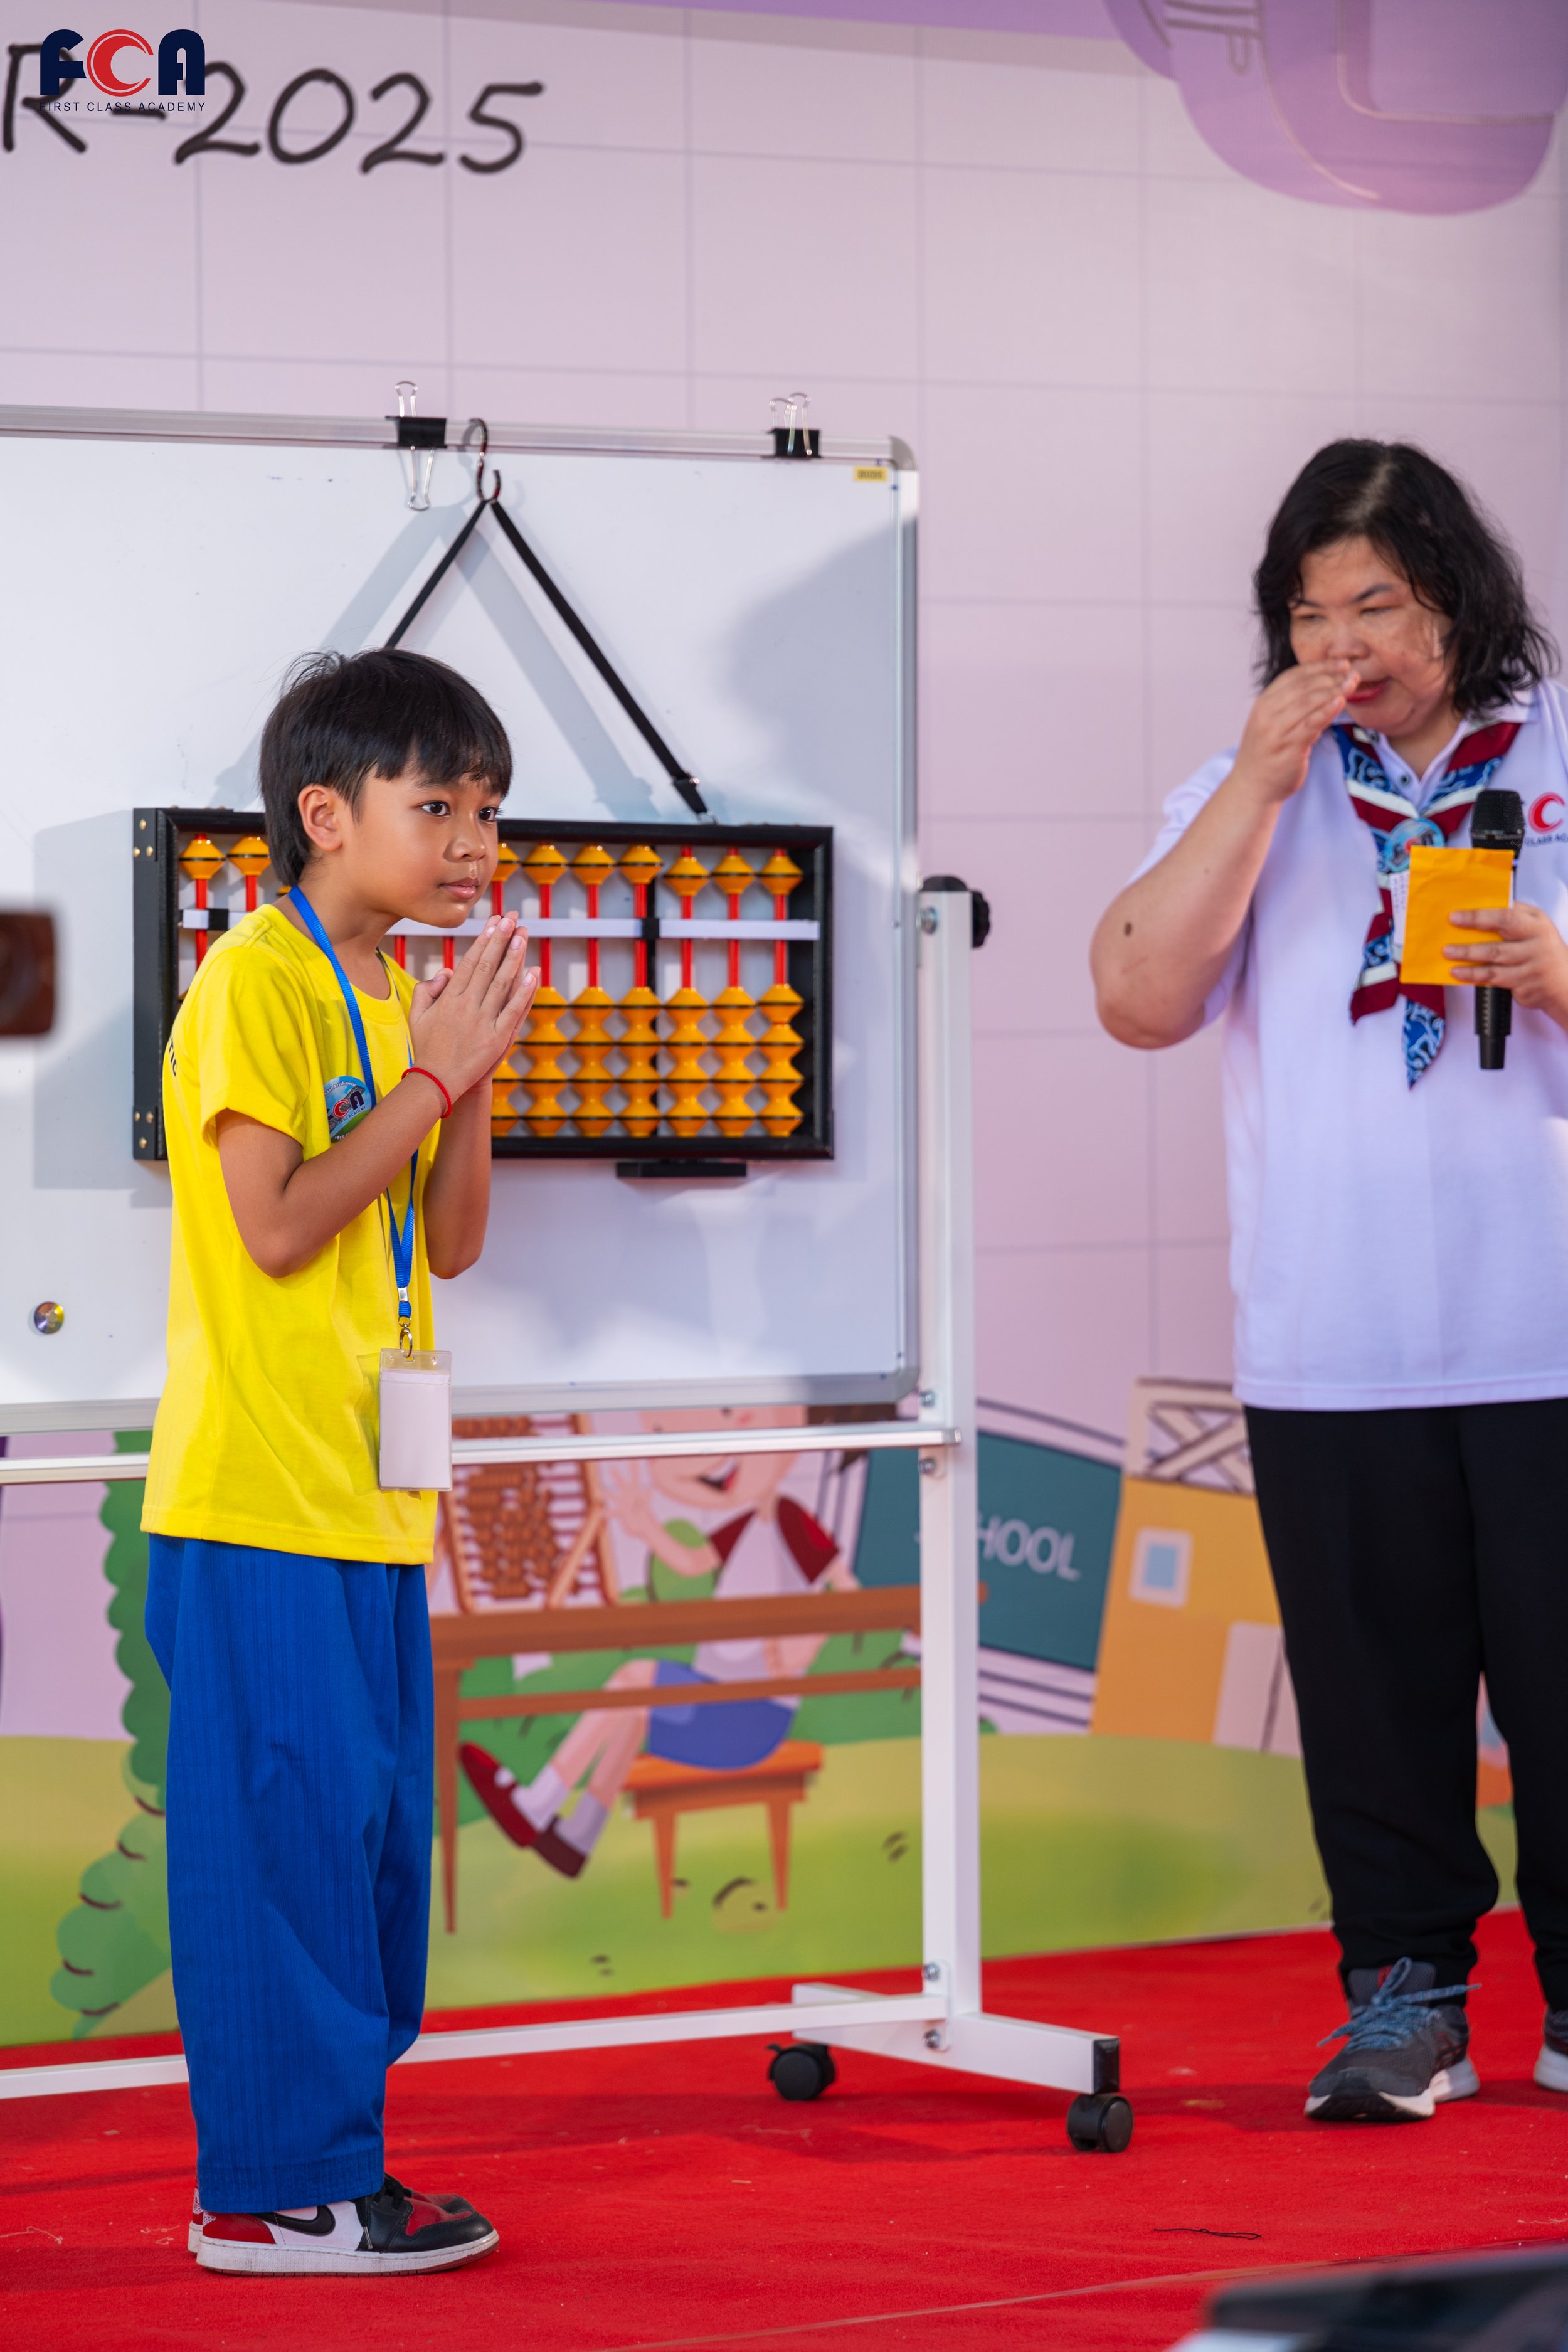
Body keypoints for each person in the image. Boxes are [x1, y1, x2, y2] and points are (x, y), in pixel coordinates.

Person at [1091, 440, 1568, 2125]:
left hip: (1547, 1327)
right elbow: (1137, 996)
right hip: (1331, 1332)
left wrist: (1556, 967)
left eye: (1375, 601)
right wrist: (1252, 782)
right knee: (1372, 1701)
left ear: (1458, 594)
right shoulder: (1250, 788)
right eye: (1308, 614)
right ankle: (1404, 2004)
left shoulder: (1561, 758)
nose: (1342, 641)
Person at [141, 649, 538, 2272]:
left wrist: (472, 1070)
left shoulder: (392, 991)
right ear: (325, 813)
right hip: (258, 1495)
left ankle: (336, 2157)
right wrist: (436, 1069)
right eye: (434, 803)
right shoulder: (257, 975)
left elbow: (444, 1243)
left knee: (368, 1844)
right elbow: (283, 1222)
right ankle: (271, 2188)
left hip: (363, 1500)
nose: (470, 842)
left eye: (487, 811)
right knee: (282, 1839)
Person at [460, 1406, 854, 1875]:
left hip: (751, 1714)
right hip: (719, 1699)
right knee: (632, 1714)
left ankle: (537, 1803)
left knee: (634, 1679)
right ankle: (577, 1838)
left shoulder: (791, 1519)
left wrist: (808, 1643)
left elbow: (848, 1590)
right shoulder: (748, 1525)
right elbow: (691, 1562)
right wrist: (643, 1523)